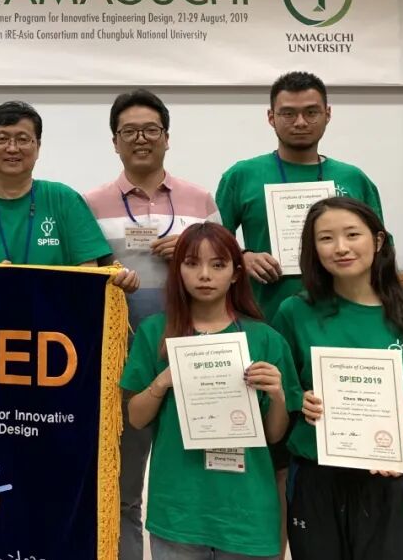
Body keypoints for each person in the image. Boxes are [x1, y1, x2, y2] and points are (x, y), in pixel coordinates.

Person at [273, 197, 403, 560]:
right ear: (313, 248)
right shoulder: (294, 312)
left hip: (387, 476)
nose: (340, 247)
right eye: (326, 238)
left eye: (352, 234)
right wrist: (301, 400)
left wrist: (394, 428)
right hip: (315, 477)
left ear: (378, 241)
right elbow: (282, 391)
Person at [84, 89, 220, 560]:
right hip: (126, 363)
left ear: (166, 137)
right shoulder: (90, 203)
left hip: (198, 355)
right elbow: (85, 275)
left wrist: (192, 249)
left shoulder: (200, 199)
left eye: (150, 130)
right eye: (129, 131)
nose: (140, 139)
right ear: (114, 142)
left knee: (200, 475)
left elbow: (225, 265)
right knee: (122, 485)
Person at [120, 222, 301, 560]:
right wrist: (162, 382)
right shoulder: (155, 332)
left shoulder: (265, 339)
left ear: (235, 273)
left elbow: (274, 435)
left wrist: (277, 394)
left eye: (218, 265)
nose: (205, 275)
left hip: (246, 511)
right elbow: (136, 418)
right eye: (192, 263)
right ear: (178, 270)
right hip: (178, 510)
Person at [216, 71, 384, 324]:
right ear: (271, 117)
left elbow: (382, 249)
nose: (301, 122)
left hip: (343, 317)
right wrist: (243, 257)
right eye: (288, 113)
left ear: (328, 114)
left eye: (311, 112)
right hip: (264, 317)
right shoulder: (241, 176)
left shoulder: (353, 179)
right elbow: (212, 244)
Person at [0, 101, 138, 288]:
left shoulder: (64, 200)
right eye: (1, 139)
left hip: (56, 312)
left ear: (38, 146)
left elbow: (88, 272)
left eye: (23, 139)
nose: (12, 148)